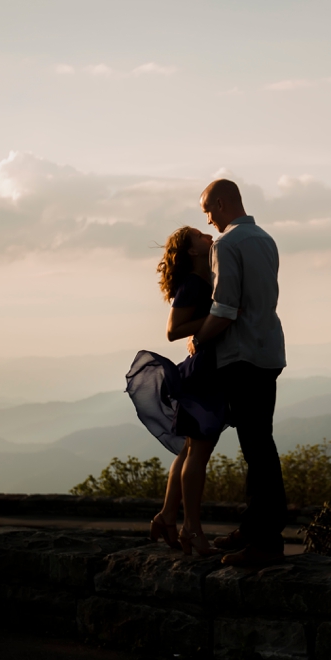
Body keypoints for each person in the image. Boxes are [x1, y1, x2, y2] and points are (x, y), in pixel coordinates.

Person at [190, 178, 289, 566]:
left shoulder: (226, 245)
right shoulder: (265, 239)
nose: (209, 219)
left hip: (242, 356)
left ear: (221, 201)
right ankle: (254, 530)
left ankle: (265, 543)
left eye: (208, 210)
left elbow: (225, 308)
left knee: (257, 448)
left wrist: (197, 338)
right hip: (268, 351)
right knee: (259, 443)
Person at [125, 225, 227, 556]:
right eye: (200, 236)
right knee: (199, 452)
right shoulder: (193, 284)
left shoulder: (203, 280)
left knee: (189, 449)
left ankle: (167, 516)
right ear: (193, 251)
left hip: (211, 369)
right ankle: (192, 531)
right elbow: (173, 330)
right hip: (205, 375)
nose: (208, 236)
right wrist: (219, 317)